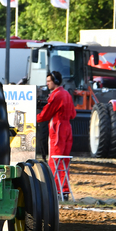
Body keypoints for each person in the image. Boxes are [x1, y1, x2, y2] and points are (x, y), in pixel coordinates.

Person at [36, 71, 77, 200]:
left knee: (54, 160)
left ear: (56, 82)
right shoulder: (67, 94)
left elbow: (45, 114)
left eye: (49, 81)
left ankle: (54, 190)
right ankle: (64, 190)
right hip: (67, 129)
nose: (47, 83)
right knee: (64, 161)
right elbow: (73, 114)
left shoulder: (56, 95)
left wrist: (35, 117)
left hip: (57, 130)